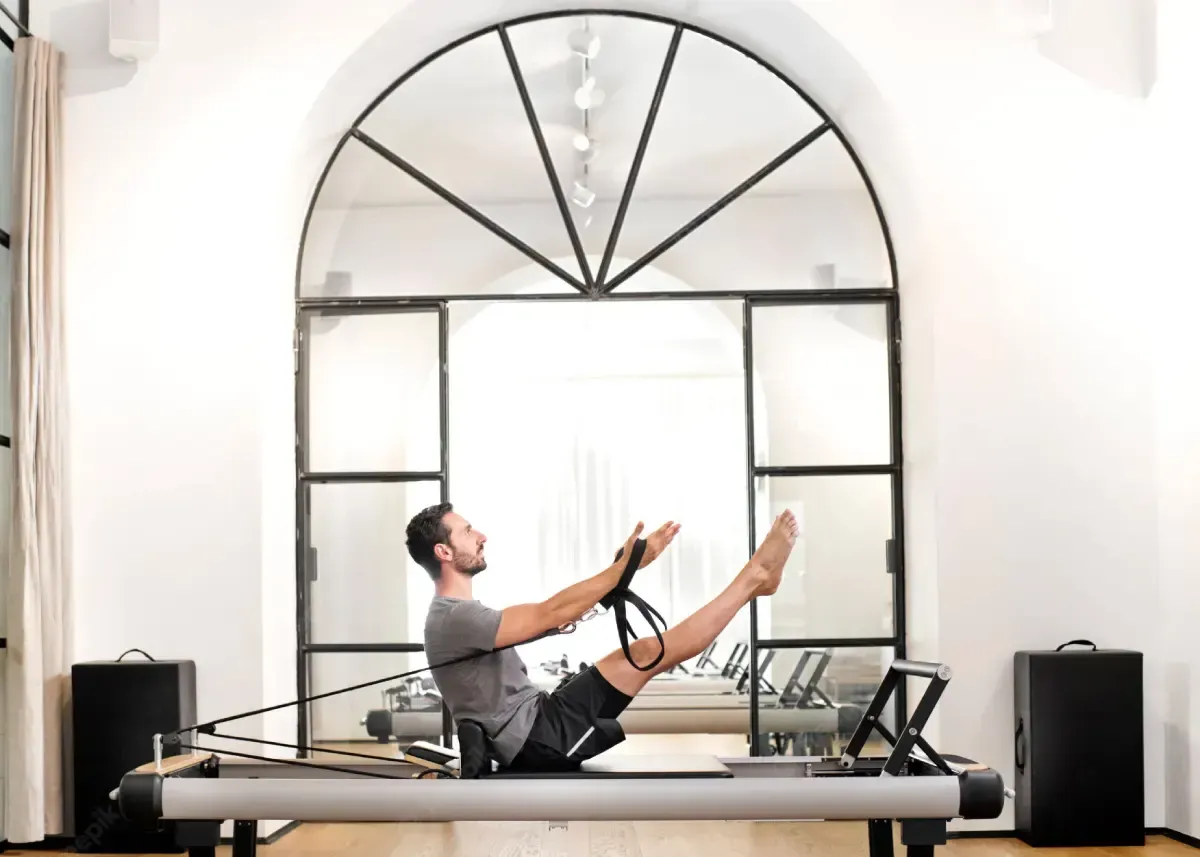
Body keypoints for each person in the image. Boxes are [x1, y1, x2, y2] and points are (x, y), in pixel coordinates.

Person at [405, 501, 798, 772]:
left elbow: (558, 613)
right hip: (540, 737)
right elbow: (550, 612)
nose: (482, 536)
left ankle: (756, 582)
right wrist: (627, 566)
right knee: (647, 651)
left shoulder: (454, 617)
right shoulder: (455, 618)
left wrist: (623, 570)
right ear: (443, 551)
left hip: (540, 724)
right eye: (468, 531)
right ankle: (754, 579)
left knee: (644, 651)